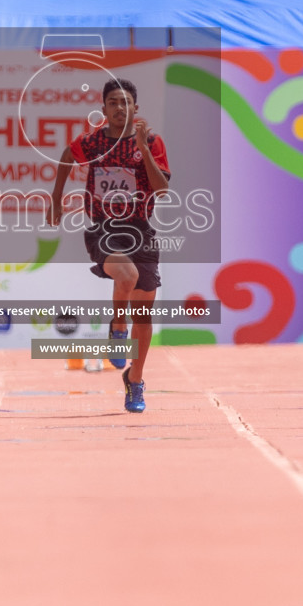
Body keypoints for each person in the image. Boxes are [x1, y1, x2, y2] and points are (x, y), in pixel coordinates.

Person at [47, 78, 171, 414]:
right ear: (103, 109)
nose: (120, 108)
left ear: (136, 108)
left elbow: (161, 190)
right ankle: (118, 326)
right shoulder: (94, 141)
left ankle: (136, 380)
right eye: (113, 102)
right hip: (105, 228)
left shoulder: (152, 141)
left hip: (142, 230)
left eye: (126, 102)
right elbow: (66, 155)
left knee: (144, 315)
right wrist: (56, 198)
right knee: (126, 275)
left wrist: (144, 150)